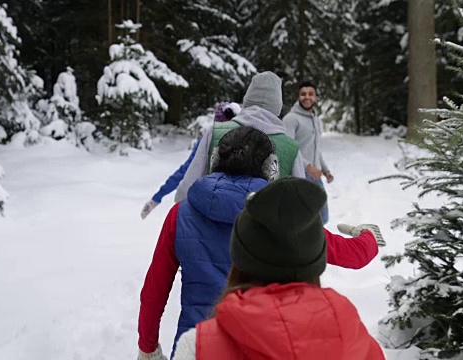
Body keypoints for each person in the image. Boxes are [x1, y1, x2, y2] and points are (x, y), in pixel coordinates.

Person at [137, 128, 385, 360]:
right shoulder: (280, 214)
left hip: (196, 346)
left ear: (215, 160)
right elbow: (350, 254)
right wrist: (369, 237)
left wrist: (147, 347)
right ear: (272, 168)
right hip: (269, 344)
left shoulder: (181, 214)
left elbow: (154, 289)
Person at [172, 177, 386, 360]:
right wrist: (368, 238)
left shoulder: (198, 348)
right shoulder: (356, 341)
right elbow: (349, 252)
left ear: (240, 259)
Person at [174, 71, 306, 203]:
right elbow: (301, 200)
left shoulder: (215, 132)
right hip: (263, 222)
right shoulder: (291, 148)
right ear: (278, 106)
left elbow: (189, 184)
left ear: (247, 99)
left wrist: (180, 209)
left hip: (211, 218)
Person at [141, 102, 241, 220]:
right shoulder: (244, 144)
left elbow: (185, 171)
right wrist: (157, 198)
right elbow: (186, 170)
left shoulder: (209, 141)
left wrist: (157, 198)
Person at [283, 80, 333, 224]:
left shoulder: (316, 119)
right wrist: (308, 166)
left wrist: (325, 170)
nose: (307, 97)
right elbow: (289, 148)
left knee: (323, 217)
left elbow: (316, 148)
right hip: (299, 174)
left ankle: (317, 244)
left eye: (310, 94)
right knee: (304, 218)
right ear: (298, 97)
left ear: (315, 97)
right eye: (303, 94)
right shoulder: (291, 119)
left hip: (315, 175)